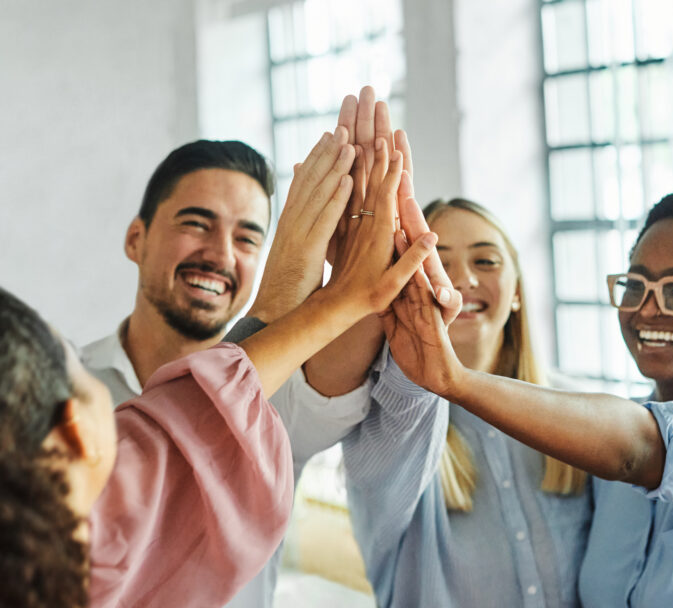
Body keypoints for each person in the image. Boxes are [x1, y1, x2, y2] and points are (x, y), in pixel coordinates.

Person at [1, 130, 439, 607]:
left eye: (249, 237)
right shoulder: (50, 393)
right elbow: (191, 421)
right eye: (196, 224)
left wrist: (372, 264)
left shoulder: (282, 393)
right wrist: (298, 299)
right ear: (136, 238)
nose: (222, 255)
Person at [384, 190, 673, 607]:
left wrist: (455, 379)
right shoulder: (601, 461)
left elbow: (641, 448)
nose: (648, 309)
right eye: (635, 285)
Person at [342, 198, 591, 607]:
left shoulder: (576, 407)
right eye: (437, 263)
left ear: (517, 293)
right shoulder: (384, 424)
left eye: (487, 261)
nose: (461, 280)